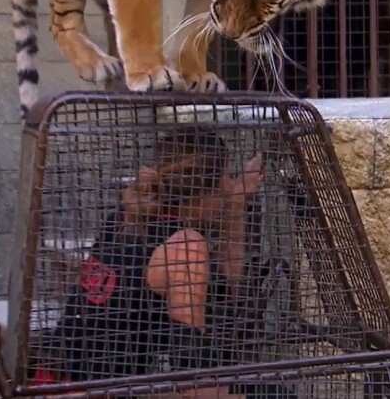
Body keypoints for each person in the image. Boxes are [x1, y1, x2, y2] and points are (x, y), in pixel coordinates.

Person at [36, 129, 264, 396]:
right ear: (203, 190)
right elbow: (192, 369)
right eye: (226, 177)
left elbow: (226, 283)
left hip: (58, 379)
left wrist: (235, 205)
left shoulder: (129, 217)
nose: (229, 185)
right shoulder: (185, 246)